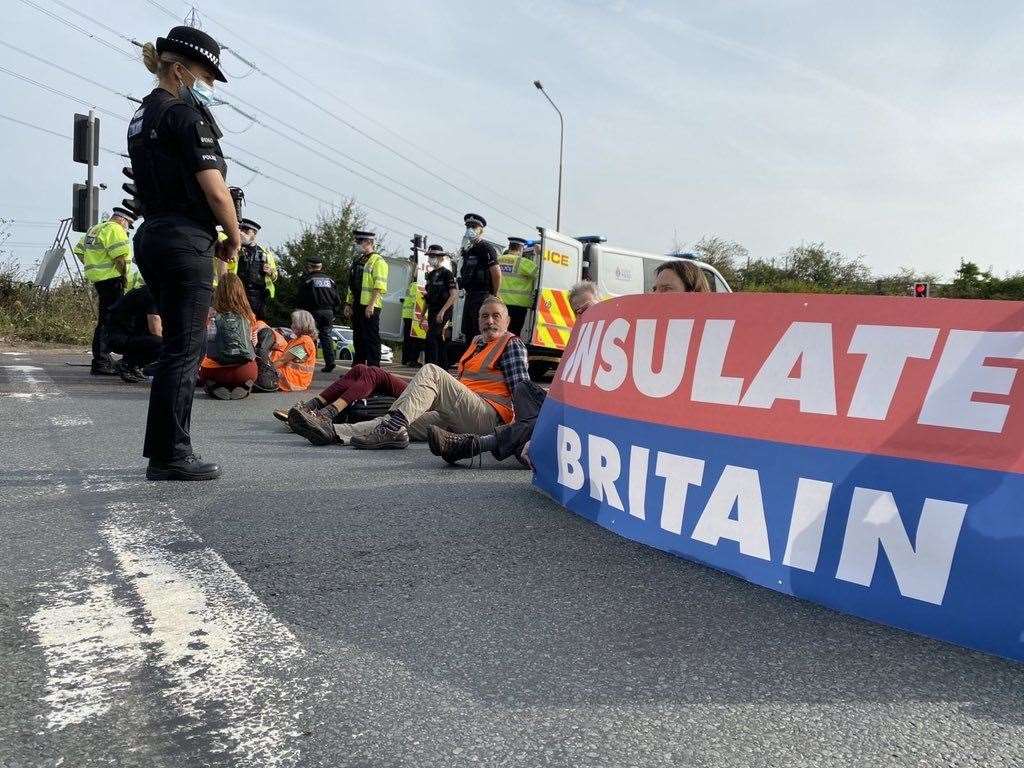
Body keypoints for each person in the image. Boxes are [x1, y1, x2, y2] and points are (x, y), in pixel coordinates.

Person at [128, 26, 239, 481]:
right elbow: (214, 191)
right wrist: (232, 234)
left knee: (176, 346)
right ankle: (171, 453)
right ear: (178, 69)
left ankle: (164, 450)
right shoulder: (183, 117)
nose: (204, 87)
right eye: (201, 76)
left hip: (152, 232)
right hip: (185, 238)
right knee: (186, 347)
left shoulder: (141, 116)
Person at [291, 296, 528, 449]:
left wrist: (517, 437)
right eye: (484, 316)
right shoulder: (477, 343)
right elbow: (466, 385)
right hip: (462, 415)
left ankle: (392, 429)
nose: (489, 321)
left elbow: (523, 391)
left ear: (507, 321)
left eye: (496, 316)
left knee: (432, 372)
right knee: (399, 420)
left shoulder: (511, 344)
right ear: (478, 320)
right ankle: (331, 431)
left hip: (488, 418)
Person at [428, 280, 602, 467]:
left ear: (602, 303)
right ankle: (527, 442)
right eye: (578, 311)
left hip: (588, 418)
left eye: (589, 307)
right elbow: (563, 390)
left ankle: (472, 445)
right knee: (524, 388)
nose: (584, 314)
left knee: (535, 422)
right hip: (563, 411)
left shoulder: (613, 342)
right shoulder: (578, 343)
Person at [73, 207, 136, 375]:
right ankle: (101, 360)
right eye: (128, 225)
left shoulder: (95, 228)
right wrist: (123, 277)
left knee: (106, 319)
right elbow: (120, 258)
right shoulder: (115, 229)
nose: (127, 229)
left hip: (100, 280)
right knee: (109, 320)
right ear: (123, 220)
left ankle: (103, 358)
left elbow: (78, 251)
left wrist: (94, 267)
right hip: (113, 279)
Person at [199, 274, 283, 399]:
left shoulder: (210, 314)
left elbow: (205, 342)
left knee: (207, 367)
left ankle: (213, 385)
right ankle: (244, 385)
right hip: (246, 370)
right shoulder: (248, 316)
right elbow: (253, 344)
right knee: (248, 365)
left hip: (214, 370)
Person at [274, 363, 409, 434]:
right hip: (422, 389)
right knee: (360, 369)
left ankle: (326, 414)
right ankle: (310, 407)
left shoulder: (303, 341)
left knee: (375, 372)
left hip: (426, 398)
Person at [343, 230, 388, 368]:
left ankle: (374, 369)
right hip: (357, 303)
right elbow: (352, 284)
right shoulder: (358, 260)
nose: (357, 244)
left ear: (369, 242)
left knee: (371, 338)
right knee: (358, 338)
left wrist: (371, 304)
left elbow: (379, 285)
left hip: (370, 305)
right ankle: (358, 368)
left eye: (359, 242)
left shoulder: (378, 261)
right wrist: (348, 303)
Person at [457, 213, 500, 343]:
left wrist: (494, 294)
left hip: (482, 295)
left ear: (481, 229)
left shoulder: (486, 247)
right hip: (470, 295)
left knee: (479, 330)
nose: (470, 229)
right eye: (468, 226)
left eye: (474, 226)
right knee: (468, 330)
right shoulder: (468, 250)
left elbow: (496, 272)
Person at [106, 284, 162, 384]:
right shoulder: (153, 293)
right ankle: (126, 364)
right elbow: (155, 328)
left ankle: (134, 366)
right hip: (117, 337)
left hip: (124, 334)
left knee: (162, 341)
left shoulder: (151, 290)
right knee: (163, 343)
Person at [296, 256, 341, 373]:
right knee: (326, 337)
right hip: (328, 313)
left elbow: (300, 298)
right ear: (320, 267)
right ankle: (330, 363)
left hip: (312, 312)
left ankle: (303, 361)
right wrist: (334, 312)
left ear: (310, 266)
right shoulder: (330, 280)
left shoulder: (307, 280)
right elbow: (337, 299)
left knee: (307, 336)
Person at [235, 218, 277, 320]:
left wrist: (270, 272)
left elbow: (275, 276)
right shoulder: (235, 247)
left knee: (257, 323)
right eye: (240, 229)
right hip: (237, 292)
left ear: (254, 233)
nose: (242, 232)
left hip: (258, 296)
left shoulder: (265, 253)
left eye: (246, 230)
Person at [424, 244, 458, 367]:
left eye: (433, 256)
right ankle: (443, 366)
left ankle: (430, 366)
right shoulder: (431, 275)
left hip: (443, 309)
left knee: (431, 337)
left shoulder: (447, 274)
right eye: (430, 256)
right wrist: (423, 313)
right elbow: (427, 296)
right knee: (438, 338)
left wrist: (442, 311)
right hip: (433, 309)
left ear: (440, 258)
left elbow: (453, 295)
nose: (430, 259)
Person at [498, 236, 537, 336]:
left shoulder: (499, 260)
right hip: (518, 305)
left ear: (510, 247)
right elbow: (540, 273)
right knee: (513, 333)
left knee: (499, 331)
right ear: (521, 248)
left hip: (500, 303)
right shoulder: (523, 262)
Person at [272, 309, 318, 392]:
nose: (291, 325)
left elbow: (283, 360)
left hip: (294, 379)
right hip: (294, 377)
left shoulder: (304, 343)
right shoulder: (298, 340)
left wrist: (265, 370)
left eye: (294, 323)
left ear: (301, 324)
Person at [400, 274, 424, 366]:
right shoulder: (417, 285)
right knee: (414, 339)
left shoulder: (412, 284)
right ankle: (412, 360)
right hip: (412, 315)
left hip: (407, 315)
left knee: (407, 339)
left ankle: (405, 359)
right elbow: (416, 301)